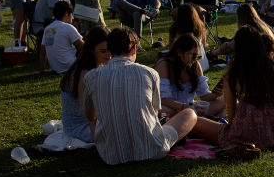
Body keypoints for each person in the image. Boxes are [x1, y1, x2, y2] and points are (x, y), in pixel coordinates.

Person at [83, 27, 197, 165]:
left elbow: (90, 117)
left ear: (110, 49)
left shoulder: (91, 76)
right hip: (152, 150)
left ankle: (113, 144)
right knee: (190, 114)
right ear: (134, 49)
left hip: (110, 156)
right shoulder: (149, 73)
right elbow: (155, 113)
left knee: (95, 120)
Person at [206, 24, 274, 149]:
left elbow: (231, 112)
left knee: (197, 123)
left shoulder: (234, 72)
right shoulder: (272, 67)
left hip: (245, 136)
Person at [59, 25, 110, 144]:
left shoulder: (98, 66)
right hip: (80, 128)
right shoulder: (85, 73)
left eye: (110, 50)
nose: (109, 55)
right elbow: (88, 113)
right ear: (92, 49)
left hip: (89, 122)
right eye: (103, 51)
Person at [154, 33, 223, 117]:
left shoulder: (195, 65)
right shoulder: (164, 65)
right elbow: (162, 99)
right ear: (179, 52)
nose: (195, 59)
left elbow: (204, 96)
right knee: (164, 110)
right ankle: (194, 119)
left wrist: (216, 93)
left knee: (221, 103)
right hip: (172, 108)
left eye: (197, 56)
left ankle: (193, 119)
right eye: (192, 55)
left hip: (189, 107)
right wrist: (183, 107)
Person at [42, 1, 83, 74]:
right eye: (71, 14)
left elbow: (43, 51)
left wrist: (41, 70)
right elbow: (83, 47)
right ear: (66, 14)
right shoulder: (68, 27)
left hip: (56, 68)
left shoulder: (47, 29)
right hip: (71, 66)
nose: (72, 18)